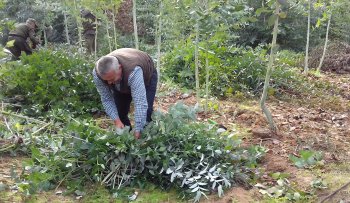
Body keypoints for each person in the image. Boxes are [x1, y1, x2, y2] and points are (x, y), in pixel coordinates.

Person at [93, 48, 158, 139]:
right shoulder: (98, 74)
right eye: (106, 80)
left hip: (147, 75)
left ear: (120, 68)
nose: (109, 83)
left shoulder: (134, 72)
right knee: (120, 113)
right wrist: (117, 120)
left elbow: (140, 103)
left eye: (111, 79)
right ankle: (128, 137)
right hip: (122, 80)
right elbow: (106, 99)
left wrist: (138, 129)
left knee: (146, 113)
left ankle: (146, 139)